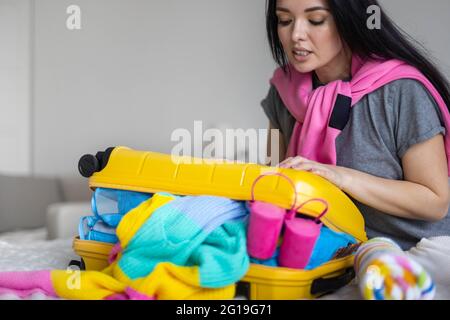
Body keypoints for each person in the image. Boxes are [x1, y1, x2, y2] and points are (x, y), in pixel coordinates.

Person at [261, 0, 450, 250]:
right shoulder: (284, 93)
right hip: (338, 253)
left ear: (348, 20)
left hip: (418, 251)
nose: (296, 35)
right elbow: (275, 179)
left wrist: (341, 177)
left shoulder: (401, 90)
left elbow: (435, 201)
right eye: (284, 21)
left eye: (316, 20)